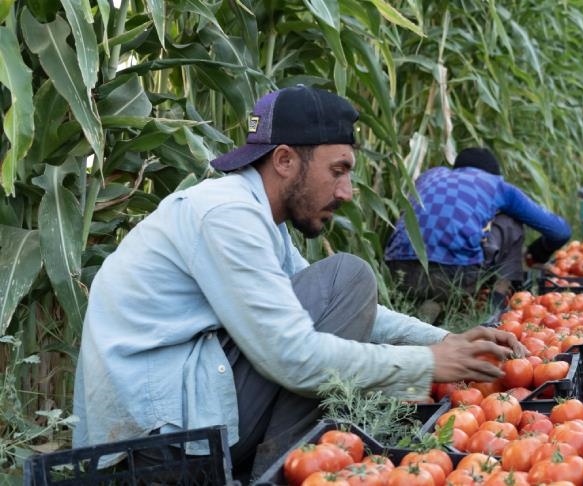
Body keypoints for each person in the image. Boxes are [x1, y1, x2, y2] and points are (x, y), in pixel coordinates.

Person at [72, 85, 525, 476]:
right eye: (338, 170)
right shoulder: (227, 216)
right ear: (285, 160)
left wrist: (448, 339)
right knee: (349, 275)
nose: (347, 192)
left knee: (343, 285)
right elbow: (292, 357)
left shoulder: (255, 216)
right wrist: (425, 365)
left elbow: (350, 311)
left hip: (177, 415)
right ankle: (277, 469)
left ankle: (281, 465)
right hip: (161, 444)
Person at [384, 147, 572, 315]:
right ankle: (496, 306)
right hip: (453, 273)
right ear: (494, 174)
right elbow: (560, 231)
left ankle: (427, 305)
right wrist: (536, 254)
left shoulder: (430, 175)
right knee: (510, 223)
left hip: (397, 270)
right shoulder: (497, 185)